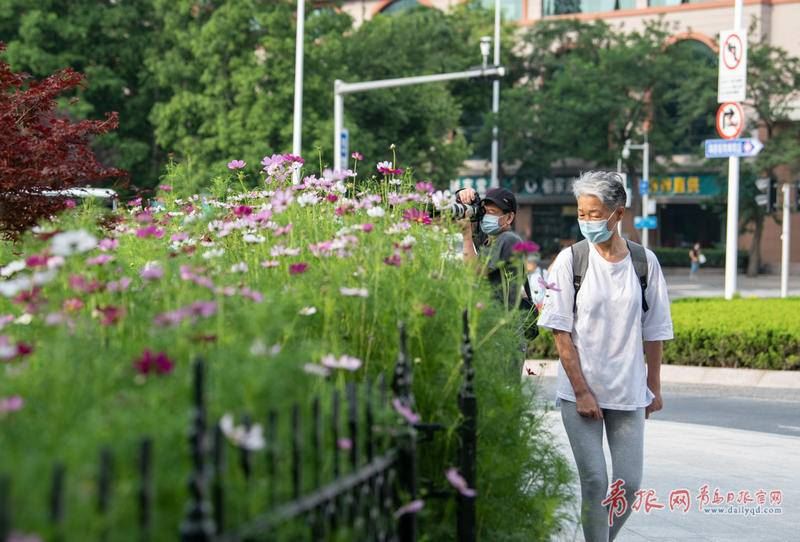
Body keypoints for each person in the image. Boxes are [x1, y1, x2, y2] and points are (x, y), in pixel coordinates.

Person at [537, 171, 673, 542]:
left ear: (618, 214)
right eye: (582, 213)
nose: (587, 221)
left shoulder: (645, 263)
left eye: (595, 214)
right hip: (580, 392)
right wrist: (581, 390)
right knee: (595, 480)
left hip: (627, 392)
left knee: (627, 484)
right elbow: (560, 332)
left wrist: (653, 388)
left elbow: (655, 331)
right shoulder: (571, 261)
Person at [457, 187, 525, 307]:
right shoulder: (488, 239)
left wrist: (466, 236)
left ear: (509, 217)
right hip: (491, 314)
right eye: (484, 211)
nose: (485, 216)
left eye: (492, 212)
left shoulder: (509, 239)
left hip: (505, 319)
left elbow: (475, 272)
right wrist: (463, 194)